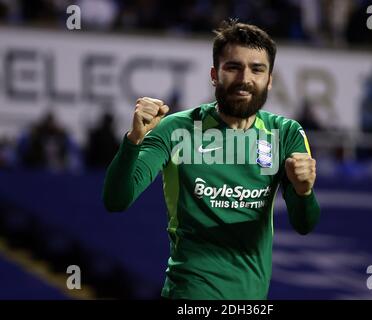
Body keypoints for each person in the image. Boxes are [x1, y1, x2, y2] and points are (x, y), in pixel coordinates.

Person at [102, 19, 320, 300]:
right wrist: (133, 140)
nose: (245, 79)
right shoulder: (175, 128)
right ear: (215, 75)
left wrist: (304, 191)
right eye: (233, 67)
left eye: (257, 69)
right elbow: (116, 200)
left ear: (269, 80)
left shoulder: (286, 133)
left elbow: (304, 224)